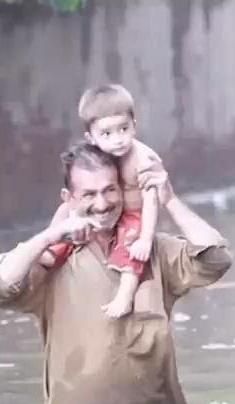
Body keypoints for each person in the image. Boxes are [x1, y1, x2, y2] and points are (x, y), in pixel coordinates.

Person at [0, 142, 232, 404]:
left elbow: (216, 259)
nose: (102, 204)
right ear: (69, 199)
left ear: (124, 190)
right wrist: (50, 236)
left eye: (110, 190)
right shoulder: (52, 261)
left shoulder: (151, 249)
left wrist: (170, 200)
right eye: (89, 194)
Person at [44, 85, 164, 319]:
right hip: (109, 214)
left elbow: (152, 201)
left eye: (124, 129)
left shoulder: (143, 159)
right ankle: (52, 249)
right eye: (107, 134)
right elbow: (77, 194)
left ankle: (125, 295)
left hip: (133, 216)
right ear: (92, 137)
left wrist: (146, 239)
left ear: (134, 126)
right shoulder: (99, 155)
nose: (118, 140)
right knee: (70, 217)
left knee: (131, 248)